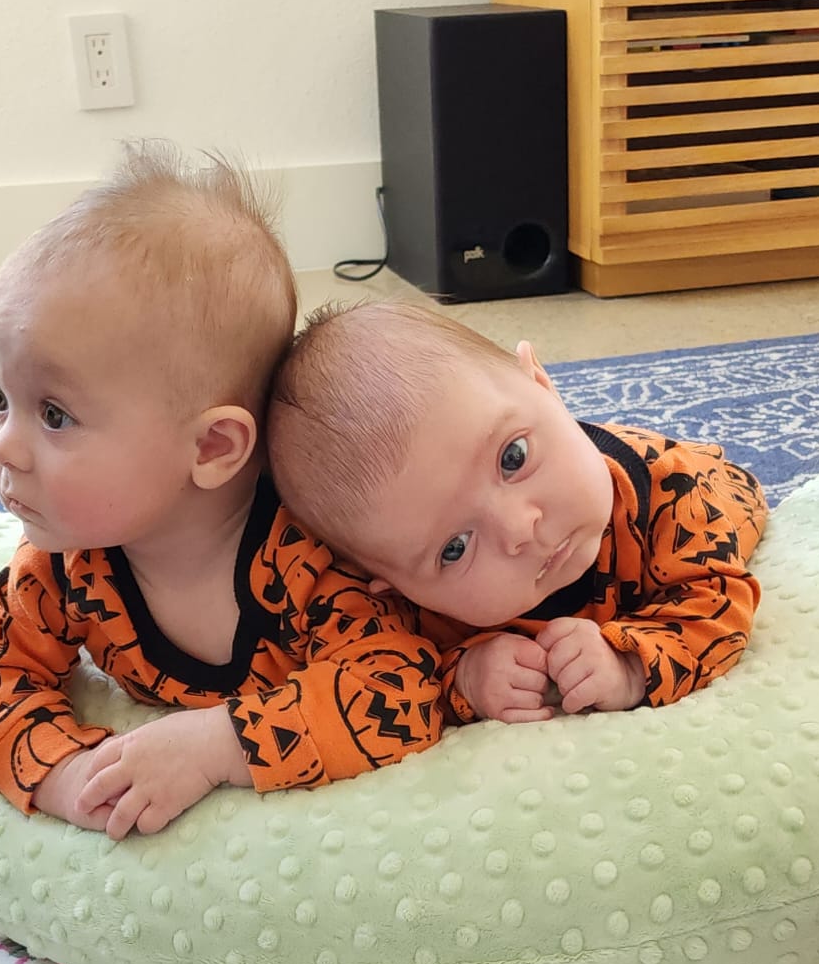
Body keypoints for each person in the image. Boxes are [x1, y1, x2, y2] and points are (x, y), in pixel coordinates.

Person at [0, 147, 443, 839]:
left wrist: (219, 744)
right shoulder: (66, 567)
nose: (2, 445)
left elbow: (399, 686)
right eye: (0, 398)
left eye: (54, 414)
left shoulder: (307, 560)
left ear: (212, 448)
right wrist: (65, 776)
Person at [264, 298, 768, 725]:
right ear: (395, 586)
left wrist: (630, 665)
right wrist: (466, 676)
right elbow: (404, 677)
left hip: (703, 484)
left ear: (542, 383)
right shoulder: (422, 605)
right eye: (455, 548)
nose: (519, 530)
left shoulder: (678, 497)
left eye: (513, 458)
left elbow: (718, 603)